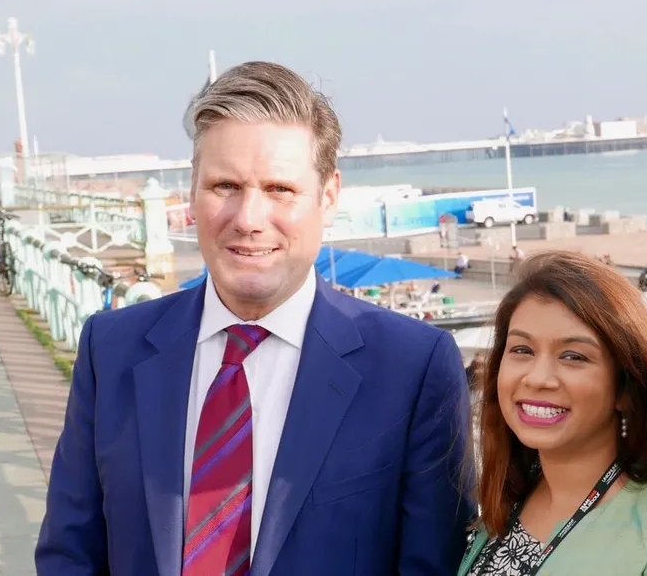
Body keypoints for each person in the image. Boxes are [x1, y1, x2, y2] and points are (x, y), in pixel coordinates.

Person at [36, 61, 475, 575]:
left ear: (328, 197)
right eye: (225, 186)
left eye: (279, 189)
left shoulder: (413, 368)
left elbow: (431, 565)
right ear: (193, 191)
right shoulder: (109, 349)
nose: (247, 219)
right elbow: (70, 553)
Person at [459, 251, 647, 575]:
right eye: (522, 350)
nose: (537, 378)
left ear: (625, 388)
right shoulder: (510, 494)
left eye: (573, 356)